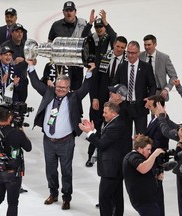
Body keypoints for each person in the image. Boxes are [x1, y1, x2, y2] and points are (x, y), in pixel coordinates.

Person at [26, 58, 94, 210]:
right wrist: (31, 66)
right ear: (55, 85)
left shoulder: (73, 97)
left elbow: (85, 88)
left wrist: (89, 73)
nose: (61, 89)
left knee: (66, 171)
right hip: (48, 141)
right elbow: (36, 84)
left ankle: (66, 197)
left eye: (64, 87)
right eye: (59, 86)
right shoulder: (48, 93)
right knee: (50, 170)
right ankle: (53, 193)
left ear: (69, 88)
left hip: (66, 141)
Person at [79, 102, 128, 216]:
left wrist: (89, 133)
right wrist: (94, 131)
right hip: (115, 168)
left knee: (105, 198)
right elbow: (105, 138)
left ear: (113, 112)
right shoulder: (115, 122)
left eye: (105, 112)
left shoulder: (115, 125)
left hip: (112, 169)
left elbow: (101, 144)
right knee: (116, 196)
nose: (103, 115)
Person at [86, 36, 127, 167]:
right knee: (96, 126)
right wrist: (94, 97)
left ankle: (111, 156)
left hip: (117, 102)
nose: (119, 49)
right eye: (118, 46)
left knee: (112, 129)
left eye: (122, 47)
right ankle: (91, 155)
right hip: (101, 98)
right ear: (113, 45)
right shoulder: (104, 57)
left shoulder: (127, 61)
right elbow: (95, 79)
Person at [0, 105, 32, 216]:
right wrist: (21, 130)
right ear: (10, 117)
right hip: (13, 173)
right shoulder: (17, 133)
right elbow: (28, 147)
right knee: (12, 203)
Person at [112, 40, 156, 136]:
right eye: (128, 52)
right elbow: (115, 83)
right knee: (124, 136)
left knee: (141, 137)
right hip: (124, 107)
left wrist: (150, 98)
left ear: (138, 53)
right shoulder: (122, 66)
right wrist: (116, 94)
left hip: (140, 107)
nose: (130, 55)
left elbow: (152, 85)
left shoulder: (146, 67)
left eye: (133, 53)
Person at [123, 135, 165, 216]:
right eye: (148, 149)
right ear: (139, 148)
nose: (149, 152)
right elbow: (143, 168)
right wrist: (154, 154)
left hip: (148, 199)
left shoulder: (140, 157)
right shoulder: (133, 157)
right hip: (143, 201)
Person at [144, 95, 169, 216]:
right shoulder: (155, 117)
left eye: (149, 105)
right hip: (153, 159)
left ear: (158, 105)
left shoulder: (162, 120)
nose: (147, 106)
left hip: (156, 161)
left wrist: (144, 143)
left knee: (157, 193)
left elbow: (160, 143)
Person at [139, 34, 178, 101]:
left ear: (155, 44)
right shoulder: (140, 56)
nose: (146, 47)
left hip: (159, 94)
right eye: (145, 45)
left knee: (158, 111)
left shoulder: (164, 58)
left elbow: (173, 76)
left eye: (149, 45)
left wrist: (166, 89)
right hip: (142, 93)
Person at [0, 46, 22, 113]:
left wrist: (16, 84)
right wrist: (1, 83)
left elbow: (21, 89)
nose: (8, 57)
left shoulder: (16, 69)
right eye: (5, 55)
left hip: (12, 104)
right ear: (0, 56)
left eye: (10, 55)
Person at [1, 23, 28, 102]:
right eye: (17, 31)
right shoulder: (5, 46)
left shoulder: (26, 45)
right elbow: (0, 63)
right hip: (9, 81)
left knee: (21, 105)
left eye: (21, 32)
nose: (19, 34)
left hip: (22, 79)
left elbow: (34, 61)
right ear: (11, 33)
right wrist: (13, 62)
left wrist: (33, 60)